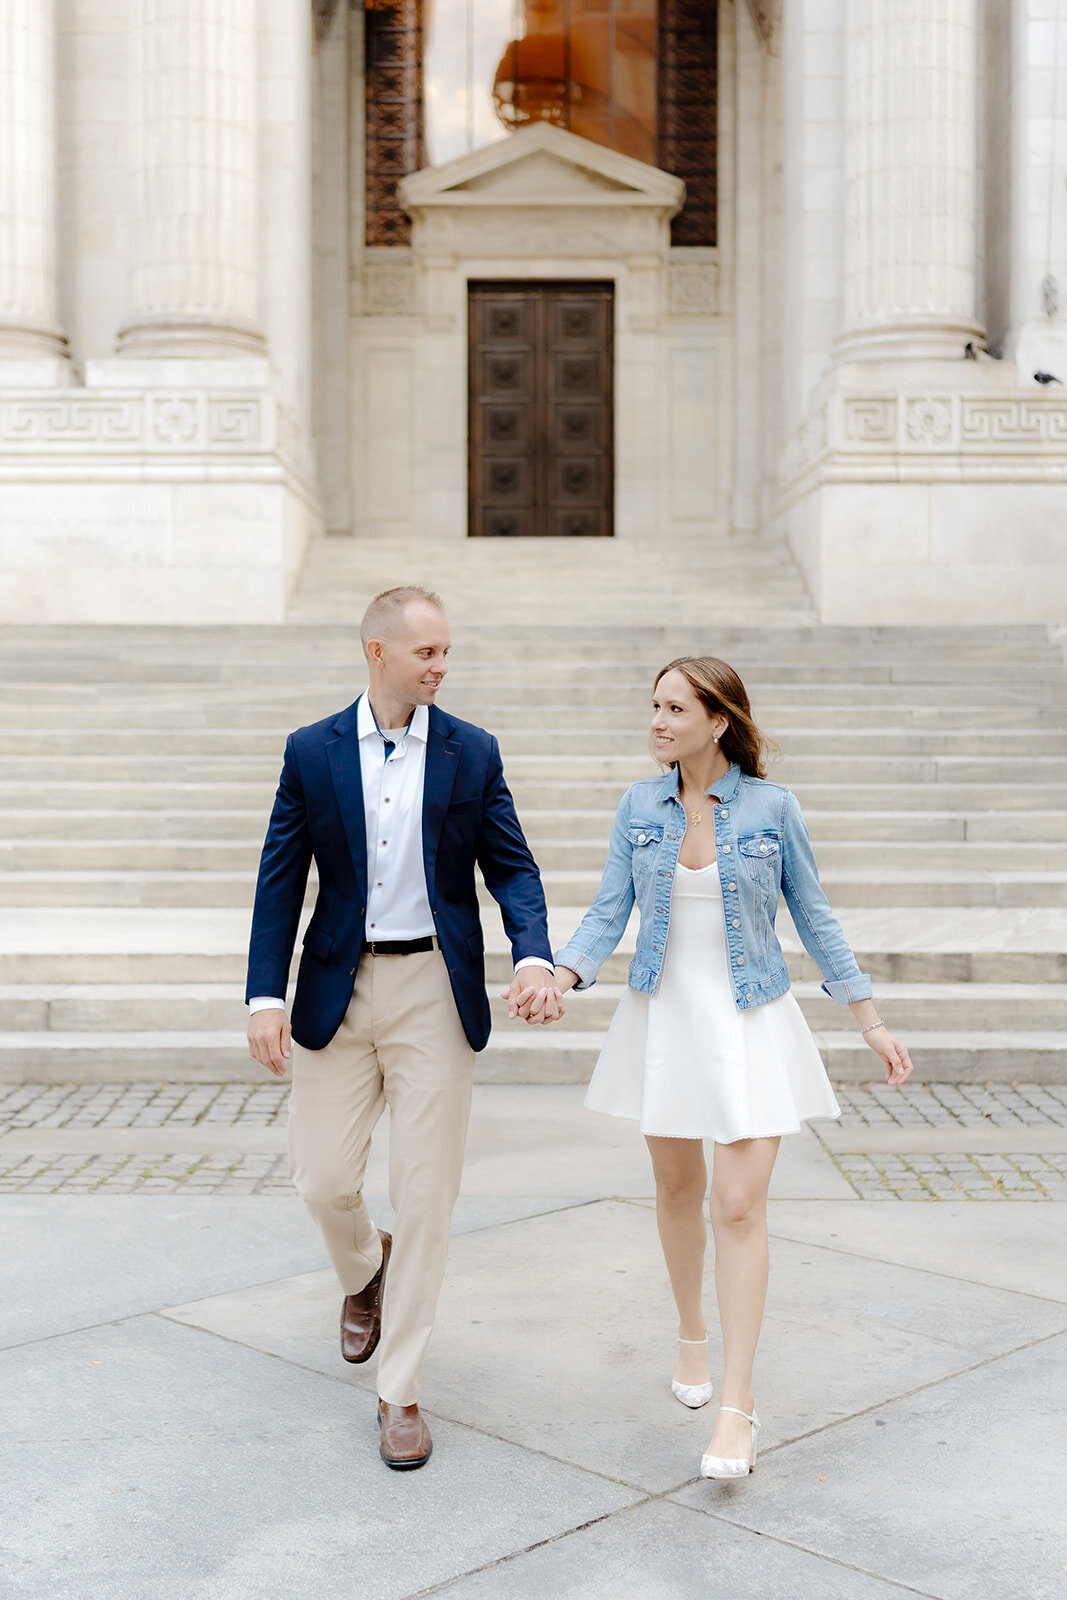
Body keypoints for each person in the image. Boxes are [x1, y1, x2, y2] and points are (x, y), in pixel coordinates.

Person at [533, 655, 913, 1480]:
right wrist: (561, 976)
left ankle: (737, 1406)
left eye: (675, 708)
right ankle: (690, 1335)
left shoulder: (772, 807)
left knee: (738, 1207)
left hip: (750, 1023)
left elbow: (813, 914)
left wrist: (868, 1019)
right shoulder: (639, 805)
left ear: (718, 720)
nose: (658, 720)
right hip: (662, 1019)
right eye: (654, 706)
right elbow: (607, 911)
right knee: (677, 1191)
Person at [245, 586, 563, 1471]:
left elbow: (513, 866)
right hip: (336, 990)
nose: (442, 666)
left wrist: (531, 954)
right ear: (377, 652)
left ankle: (402, 1393)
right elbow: (281, 879)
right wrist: (262, 995)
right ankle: (363, 1268)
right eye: (427, 652)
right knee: (321, 1180)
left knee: (426, 1196)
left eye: (446, 651)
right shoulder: (311, 752)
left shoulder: (471, 750)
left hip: (433, 984)